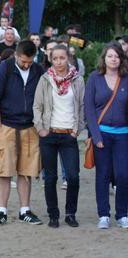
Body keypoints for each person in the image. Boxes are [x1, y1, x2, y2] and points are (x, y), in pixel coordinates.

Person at [0, 40, 45, 226]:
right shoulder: (4, 69)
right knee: (4, 171)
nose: (27, 65)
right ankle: (1, 211)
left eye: (30, 61)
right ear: (16, 55)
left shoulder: (38, 71)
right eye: (23, 61)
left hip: (30, 127)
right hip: (7, 126)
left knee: (26, 171)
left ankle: (25, 210)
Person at [33, 45, 84, 228]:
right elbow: (37, 106)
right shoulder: (45, 79)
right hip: (49, 134)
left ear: (68, 58)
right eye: (55, 58)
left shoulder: (77, 79)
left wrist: (77, 130)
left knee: (73, 177)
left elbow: (82, 106)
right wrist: (40, 128)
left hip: (69, 135)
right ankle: (53, 215)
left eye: (62, 58)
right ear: (51, 59)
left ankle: (70, 213)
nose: (59, 62)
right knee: (50, 178)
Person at [85, 43, 128, 229]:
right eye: (110, 56)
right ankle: (103, 214)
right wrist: (96, 136)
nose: (113, 59)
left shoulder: (126, 78)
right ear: (104, 58)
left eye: (117, 56)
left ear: (121, 59)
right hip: (102, 134)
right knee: (103, 175)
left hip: (123, 135)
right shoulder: (94, 78)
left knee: (123, 175)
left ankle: (122, 214)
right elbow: (88, 108)